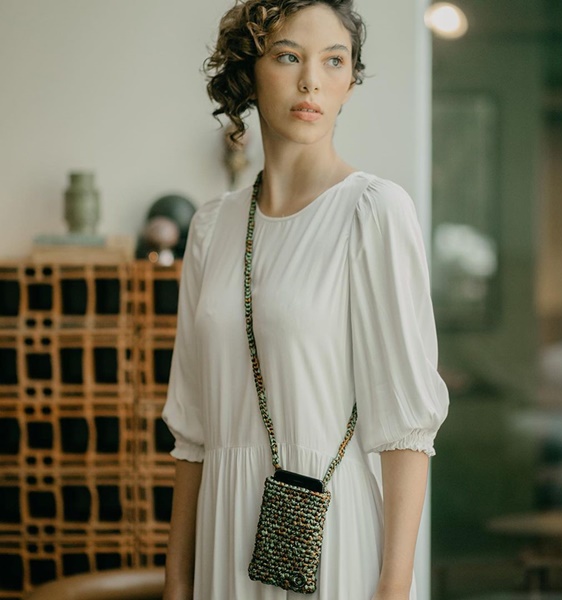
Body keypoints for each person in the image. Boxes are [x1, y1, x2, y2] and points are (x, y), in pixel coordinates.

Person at [161, 0, 449, 598]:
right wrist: (176, 581)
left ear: (348, 83)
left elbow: (405, 434)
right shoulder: (212, 226)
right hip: (223, 529)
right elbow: (191, 434)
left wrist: (393, 588)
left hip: (334, 529)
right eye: (288, 56)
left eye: (334, 61)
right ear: (251, 71)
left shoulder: (374, 211)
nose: (311, 80)